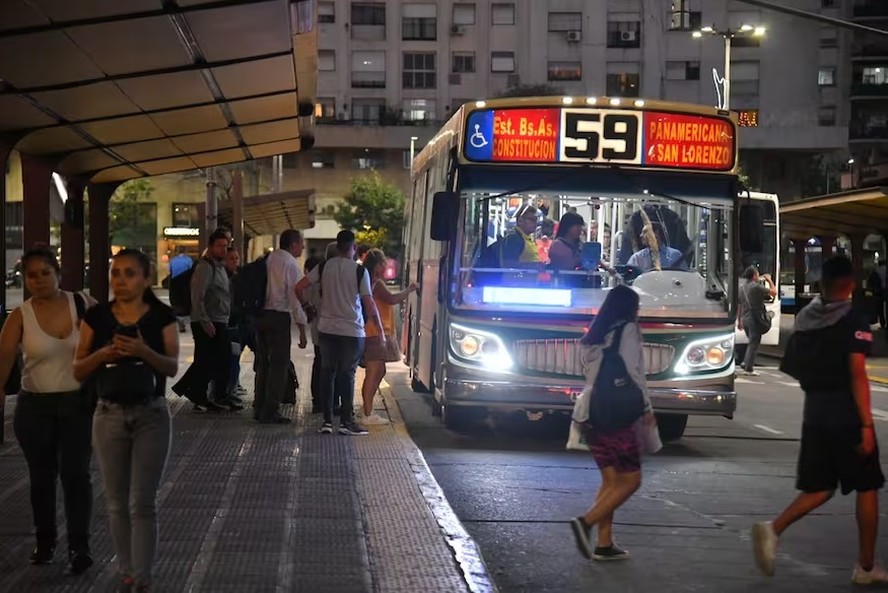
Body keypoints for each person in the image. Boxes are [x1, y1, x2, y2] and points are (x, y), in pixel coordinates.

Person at [754, 256, 888, 585]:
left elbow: (796, 368)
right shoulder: (850, 319)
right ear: (850, 283)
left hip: (814, 413)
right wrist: (866, 425)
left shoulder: (806, 318)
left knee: (821, 486)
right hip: (846, 414)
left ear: (822, 283)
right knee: (867, 485)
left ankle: (774, 528)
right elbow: (857, 374)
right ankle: (867, 566)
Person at [74, 249, 180, 593]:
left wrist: (142, 352)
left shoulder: (161, 316)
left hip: (151, 414)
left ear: (146, 278)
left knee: (142, 502)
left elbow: (171, 366)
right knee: (116, 501)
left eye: (130, 273)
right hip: (108, 415)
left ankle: (143, 577)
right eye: (116, 273)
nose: (120, 280)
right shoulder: (97, 317)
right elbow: (78, 369)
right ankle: (128, 572)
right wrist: (104, 354)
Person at [0, 247, 96, 573]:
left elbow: (110, 338)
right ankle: (45, 541)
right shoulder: (19, 315)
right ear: (24, 279)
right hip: (34, 407)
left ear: (58, 273)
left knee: (77, 476)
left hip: (77, 404)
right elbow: (3, 360)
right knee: (41, 478)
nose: (39, 280)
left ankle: (79, 547)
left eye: (45, 272)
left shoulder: (82, 302)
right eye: (32, 275)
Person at [569, 284, 655, 562]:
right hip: (618, 412)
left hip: (593, 410)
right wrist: (646, 406)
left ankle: (604, 544)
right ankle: (586, 522)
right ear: (629, 307)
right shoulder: (627, 329)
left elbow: (588, 370)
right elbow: (634, 371)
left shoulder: (596, 333)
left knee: (610, 479)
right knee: (631, 480)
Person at [296, 230, 384, 436]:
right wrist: (379, 331)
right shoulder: (359, 271)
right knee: (347, 375)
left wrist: (307, 307)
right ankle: (346, 422)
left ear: (337, 246)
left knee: (327, 374)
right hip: (351, 331)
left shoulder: (324, 266)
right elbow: (369, 303)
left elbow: (298, 287)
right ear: (353, 247)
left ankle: (326, 422)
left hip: (326, 329)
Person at [172, 229, 238, 411]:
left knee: (209, 359)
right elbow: (197, 295)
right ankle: (195, 391)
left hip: (219, 319)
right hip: (208, 320)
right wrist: (204, 320)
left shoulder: (219, 267)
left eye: (225, 246)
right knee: (214, 359)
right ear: (210, 247)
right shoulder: (205, 267)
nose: (223, 249)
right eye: (219, 246)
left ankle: (197, 393)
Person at [254, 229, 307, 424]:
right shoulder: (290, 264)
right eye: (301, 243)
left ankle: (259, 407)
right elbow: (294, 299)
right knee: (279, 365)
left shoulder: (268, 259)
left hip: (261, 317)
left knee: (263, 364)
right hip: (278, 318)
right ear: (293, 244)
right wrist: (302, 329)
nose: (302, 247)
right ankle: (271, 410)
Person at [359, 249, 418, 425]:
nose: (386, 266)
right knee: (373, 371)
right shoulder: (377, 284)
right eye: (383, 262)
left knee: (379, 370)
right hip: (374, 332)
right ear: (377, 265)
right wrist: (410, 289)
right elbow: (392, 299)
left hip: (374, 331)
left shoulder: (369, 281)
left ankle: (367, 410)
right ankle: (367, 414)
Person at [738, 266, 777, 376]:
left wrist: (739, 320)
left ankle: (746, 362)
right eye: (757, 274)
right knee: (754, 343)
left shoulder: (741, 288)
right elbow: (774, 292)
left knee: (751, 342)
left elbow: (739, 306)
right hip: (754, 319)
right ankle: (748, 368)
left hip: (745, 319)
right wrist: (769, 279)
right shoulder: (756, 287)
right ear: (754, 276)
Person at [224, 246, 246, 405]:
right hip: (227, 324)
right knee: (230, 360)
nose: (235, 261)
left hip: (236, 324)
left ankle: (231, 389)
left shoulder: (238, 277)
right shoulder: (224, 277)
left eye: (236, 258)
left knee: (234, 358)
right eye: (231, 258)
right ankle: (227, 391)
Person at [303, 254, 324, 414]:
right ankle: (323, 400)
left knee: (318, 362)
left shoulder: (309, 285)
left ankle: (317, 400)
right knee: (326, 365)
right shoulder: (317, 282)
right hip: (326, 328)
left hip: (316, 327)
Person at [168, 247, 193, 333]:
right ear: (186, 251)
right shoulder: (188, 260)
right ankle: (184, 321)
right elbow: (191, 271)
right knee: (185, 302)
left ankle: (179, 320)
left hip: (174, 284)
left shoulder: (173, 260)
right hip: (185, 284)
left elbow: (170, 271)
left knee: (176, 302)